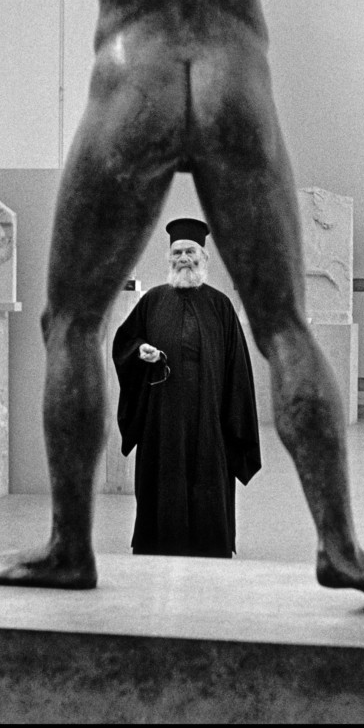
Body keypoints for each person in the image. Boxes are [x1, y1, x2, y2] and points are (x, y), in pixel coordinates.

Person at [0, 0, 364, 605]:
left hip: (133, 75)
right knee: (285, 327)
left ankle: (69, 546)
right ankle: (340, 546)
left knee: (72, 323)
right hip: (235, 76)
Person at [112, 218, 261, 558]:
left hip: (210, 419)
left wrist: (235, 424)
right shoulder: (153, 301)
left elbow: (237, 369)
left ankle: (210, 545)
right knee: (163, 481)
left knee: (207, 480)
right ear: (169, 257)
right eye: (177, 252)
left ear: (203, 257)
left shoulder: (220, 306)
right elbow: (126, 342)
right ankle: (159, 543)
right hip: (162, 420)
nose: (183, 259)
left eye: (190, 252)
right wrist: (140, 351)